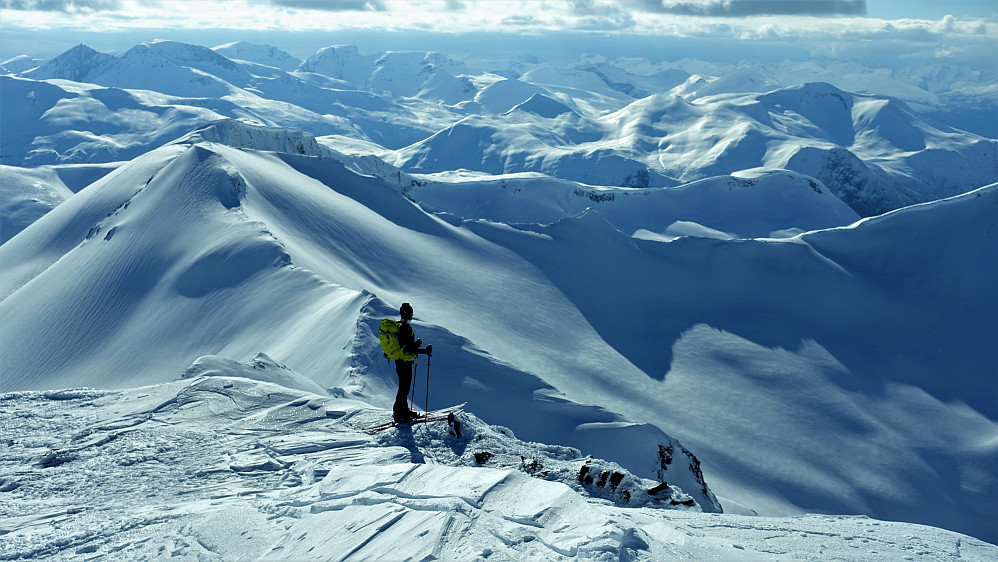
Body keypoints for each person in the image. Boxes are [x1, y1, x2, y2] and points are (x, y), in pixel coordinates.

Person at [394, 302, 432, 423]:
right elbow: (407, 348)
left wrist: (421, 349)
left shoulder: (399, 326)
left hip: (400, 361)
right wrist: (419, 347)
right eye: (411, 313)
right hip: (404, 362)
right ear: (408, 314)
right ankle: (399, 414)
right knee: (404, 388)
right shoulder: (405, 328)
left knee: (403, 387)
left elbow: (405, 347)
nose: (412, 316)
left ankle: (403, 411)